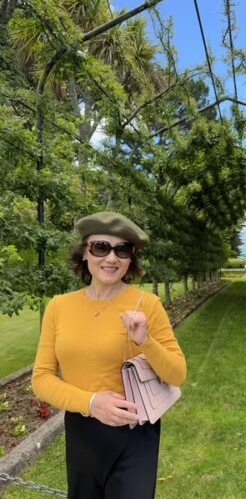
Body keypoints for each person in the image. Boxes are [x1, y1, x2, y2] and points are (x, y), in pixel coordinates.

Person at [32, 211, 187, 499]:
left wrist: (146, 341)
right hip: (82, 432)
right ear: (85, 254)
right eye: (101, 247)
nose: (111, 258)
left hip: (134, 434)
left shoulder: (147, 305)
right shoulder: (59, 307)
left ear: (131, 259)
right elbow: (41, 378)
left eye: (122, 249)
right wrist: (91, 402)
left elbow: (177, 374)